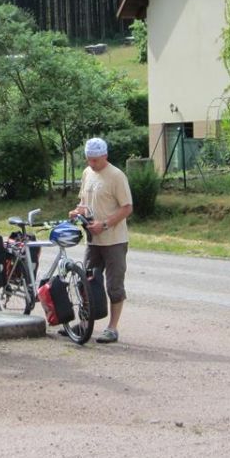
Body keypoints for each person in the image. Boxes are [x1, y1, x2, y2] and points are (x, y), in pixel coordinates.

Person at [70, 137, 133, 343]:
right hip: (92, 241)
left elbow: (127, 207)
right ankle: (84, 324)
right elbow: (84, 201)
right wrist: (77, 212)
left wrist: (104, 224)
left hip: (114, 240)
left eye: (95, 160)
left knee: (114, 285)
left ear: (105, 156)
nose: (92, 163)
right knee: (86, 282)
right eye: (89, 159)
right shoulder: (87, 173)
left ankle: (112, 328)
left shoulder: (116, 176)